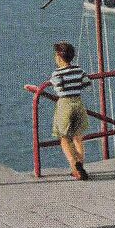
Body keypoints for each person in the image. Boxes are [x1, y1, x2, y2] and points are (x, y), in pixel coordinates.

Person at [50, 41, 91, 180]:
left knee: (64, 138)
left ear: (59, 57)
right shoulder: (79, 70)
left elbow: (58, 89)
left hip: (65, 105)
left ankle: (75, 166)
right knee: (78, 138)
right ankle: (80, 165)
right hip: (78, 103)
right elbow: (87, 84)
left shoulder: (56, 73)